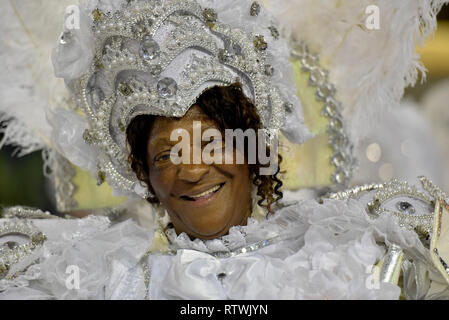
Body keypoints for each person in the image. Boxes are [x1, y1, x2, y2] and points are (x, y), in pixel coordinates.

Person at [1, 0, 449, 300]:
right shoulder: (108, 280)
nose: (192, 170)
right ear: (142, 175)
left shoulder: (351, 255)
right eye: (165, 156)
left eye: (210, 142)